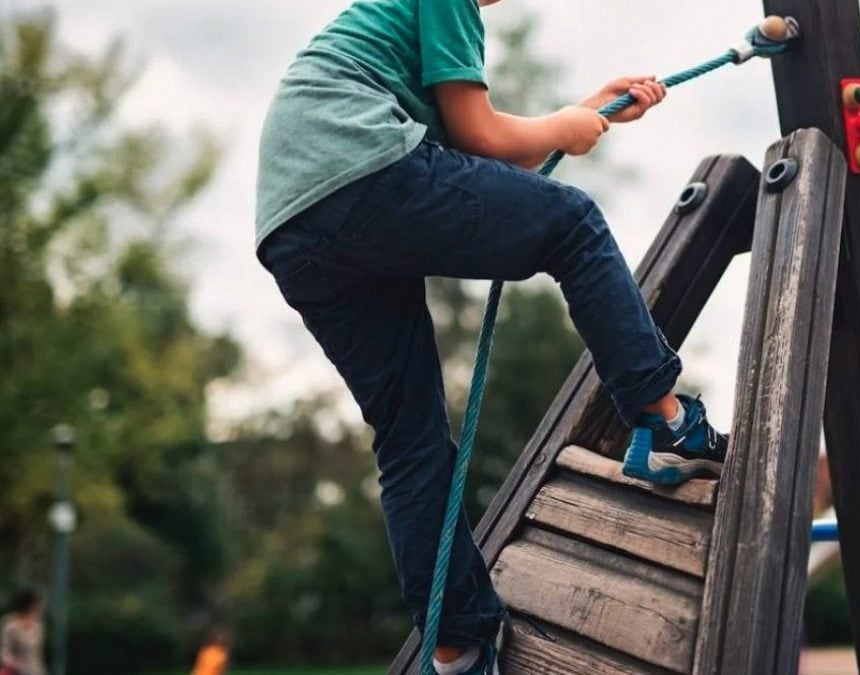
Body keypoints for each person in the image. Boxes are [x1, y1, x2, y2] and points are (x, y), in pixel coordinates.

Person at [255, 1, 729, 673]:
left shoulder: (387, 28)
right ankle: (664, 421)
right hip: (364, 173)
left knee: (408, 437)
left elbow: (470, 151)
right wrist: (564, 126)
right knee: (573, 224)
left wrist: (584, 112)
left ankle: (457, 650)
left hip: (295, 227)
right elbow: (480, 140)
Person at [0, 588, 45, 675]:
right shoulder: (10, 624)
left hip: (35, 671)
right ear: (30, 604)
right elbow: (4, 652)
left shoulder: (38, 626)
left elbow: (37, 654)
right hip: (16, 671)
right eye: (38, 604)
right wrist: (14, 664)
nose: (41, 607)